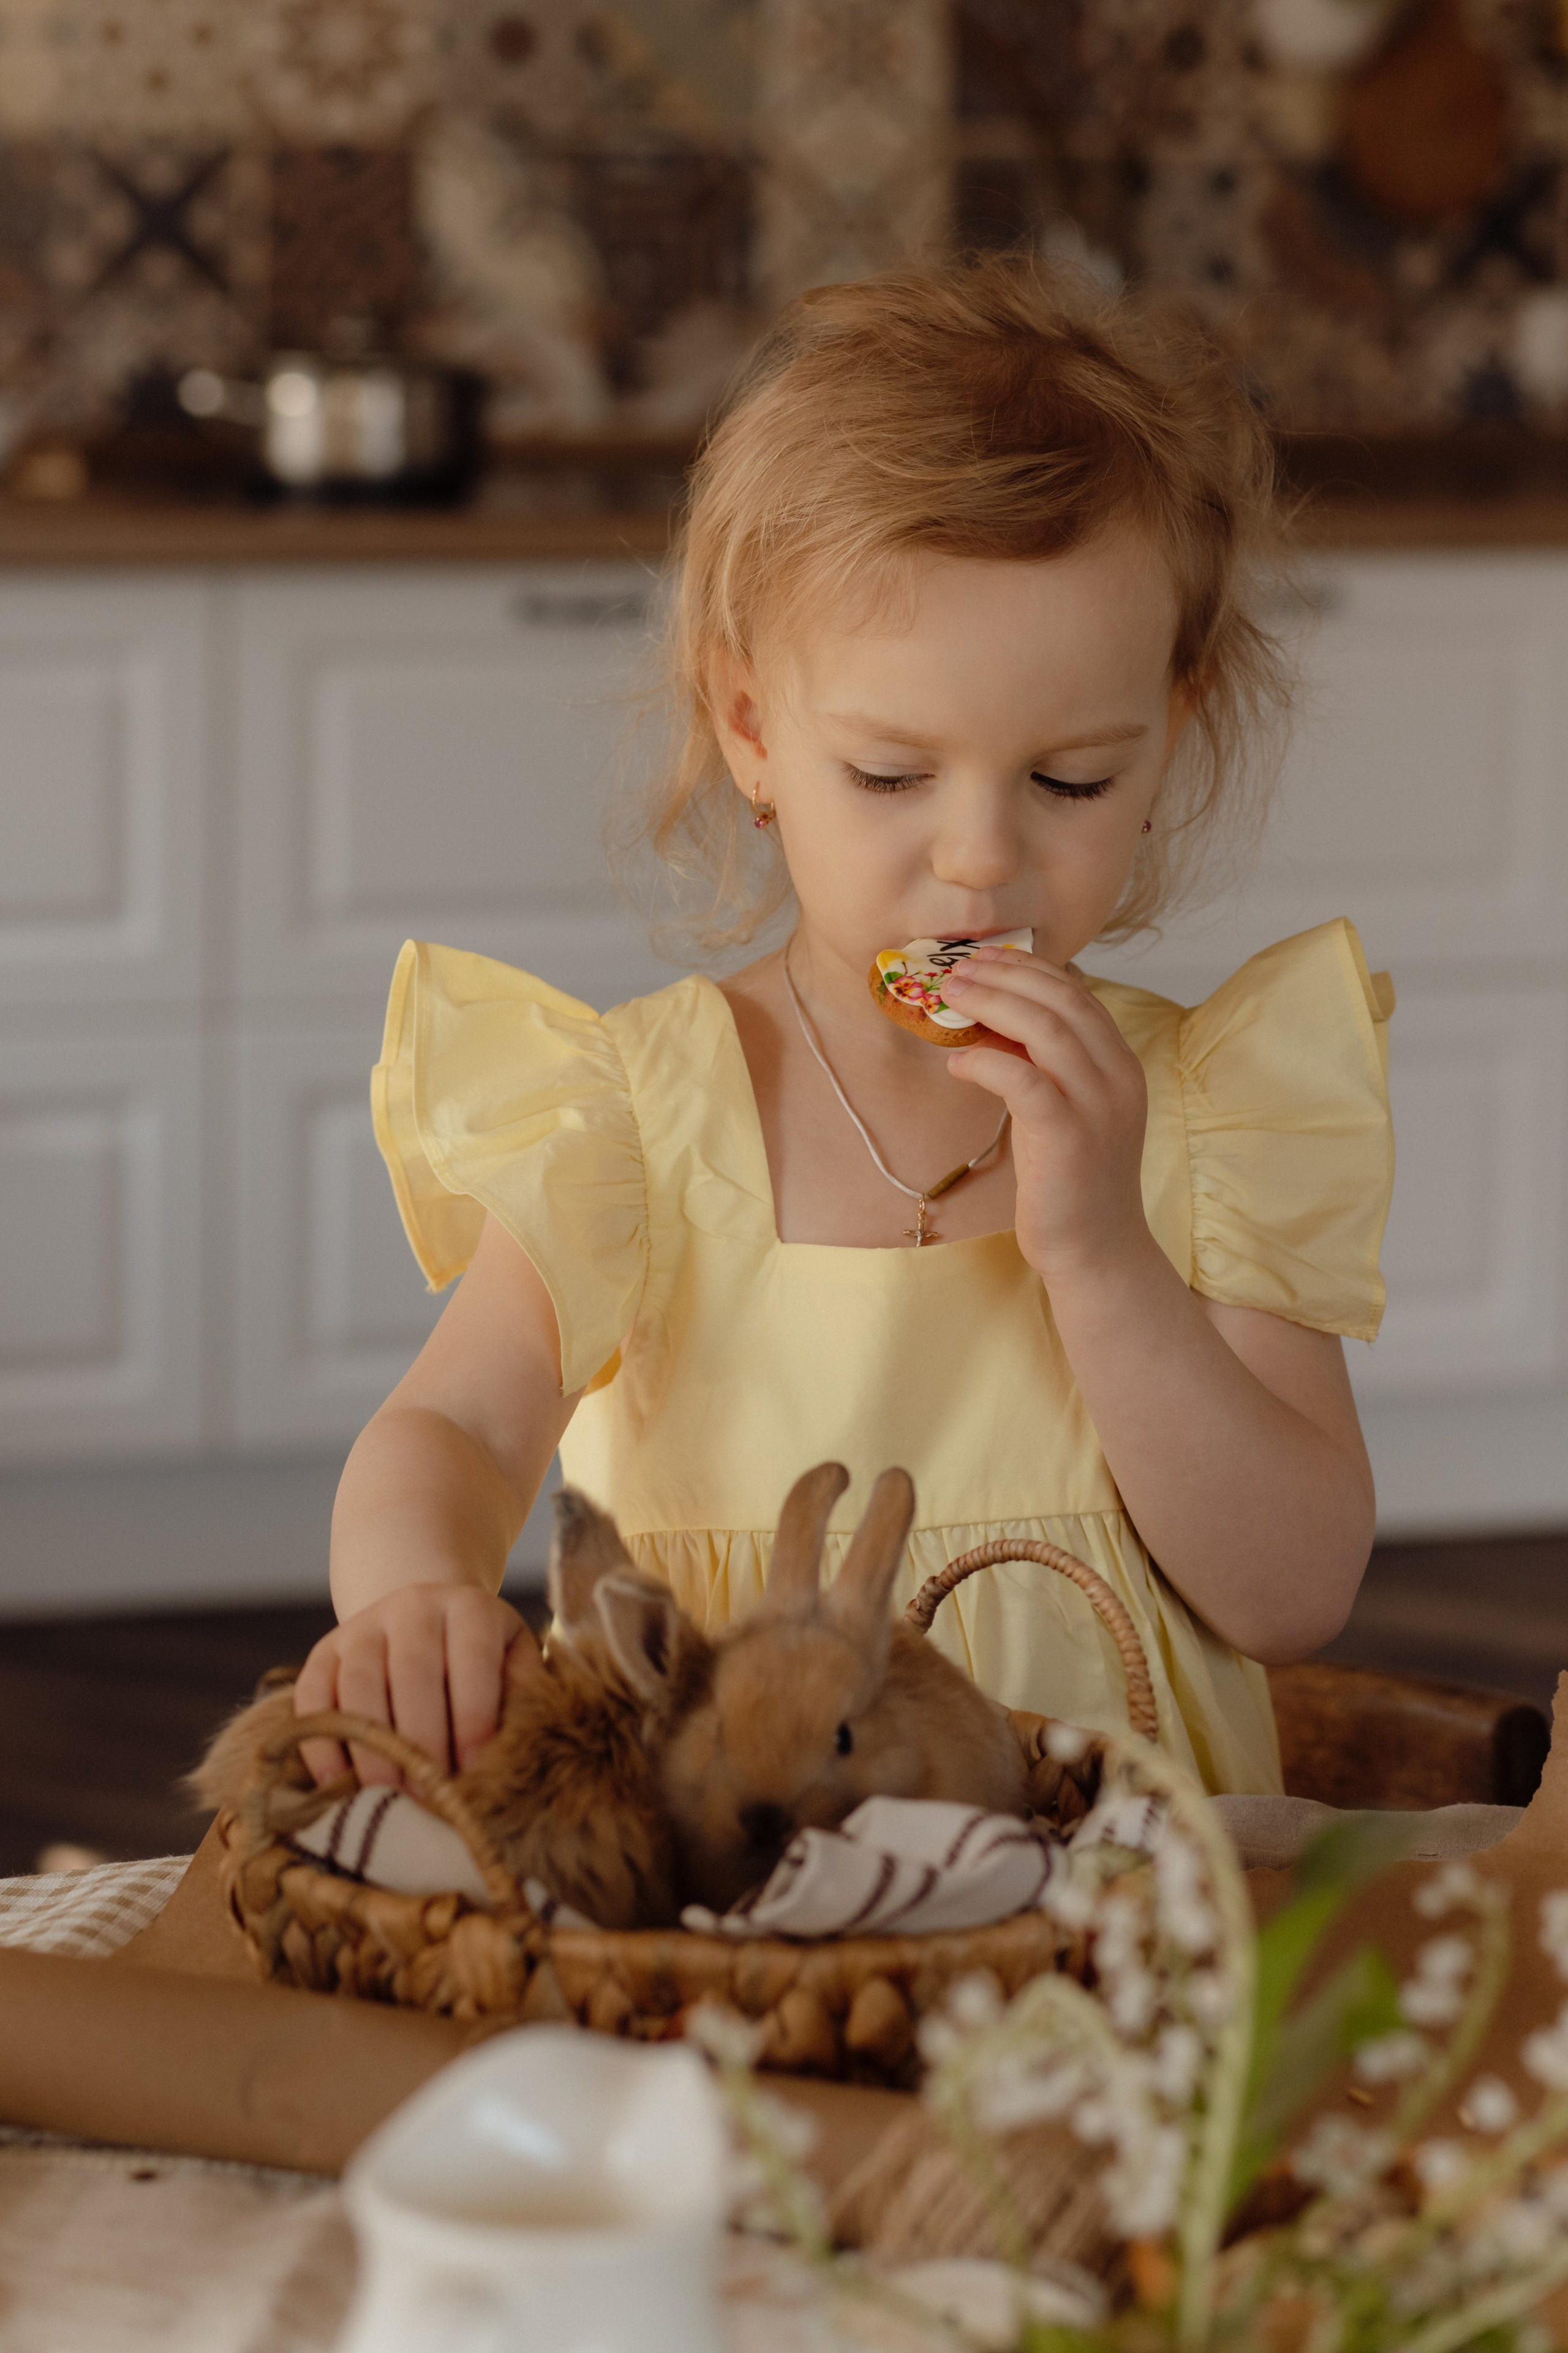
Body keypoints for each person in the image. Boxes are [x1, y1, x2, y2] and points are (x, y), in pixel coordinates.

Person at [294, 256, 1393, 1799]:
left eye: (1069, 780)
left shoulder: (1212, 1115)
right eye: (889, 775)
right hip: (731, 1899)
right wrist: (415, 1592)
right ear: (751, 728)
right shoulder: (631, 1118)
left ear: (1171, 733)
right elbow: (457, 1432)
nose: (979, 858)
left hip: (1113, 1909)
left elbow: (1290, 1592)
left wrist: (1099, 1253)